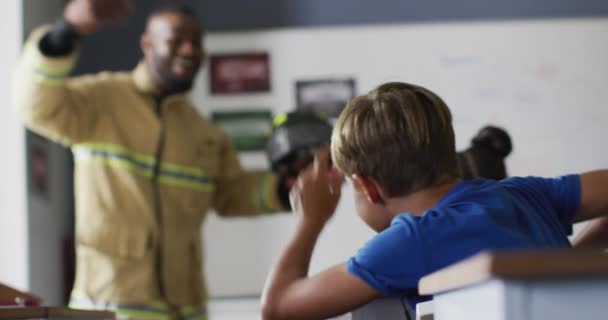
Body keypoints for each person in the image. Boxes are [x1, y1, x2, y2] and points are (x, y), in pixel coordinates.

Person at [13, 1, 290, 319]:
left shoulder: (204, 134)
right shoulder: (101, 101)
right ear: (147, 43)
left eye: (196, 41)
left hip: (186, 311)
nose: (189, 50)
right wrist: (68, 30)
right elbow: (34, 104)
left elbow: (232, 194)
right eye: (175, 39)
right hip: (110, 306)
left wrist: (287, 187)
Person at [260, 82, 608, 320]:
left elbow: (278, 309)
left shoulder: (413, 240)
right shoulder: (524, 194)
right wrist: (565, 268)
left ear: (368, 188)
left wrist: (310, 222)